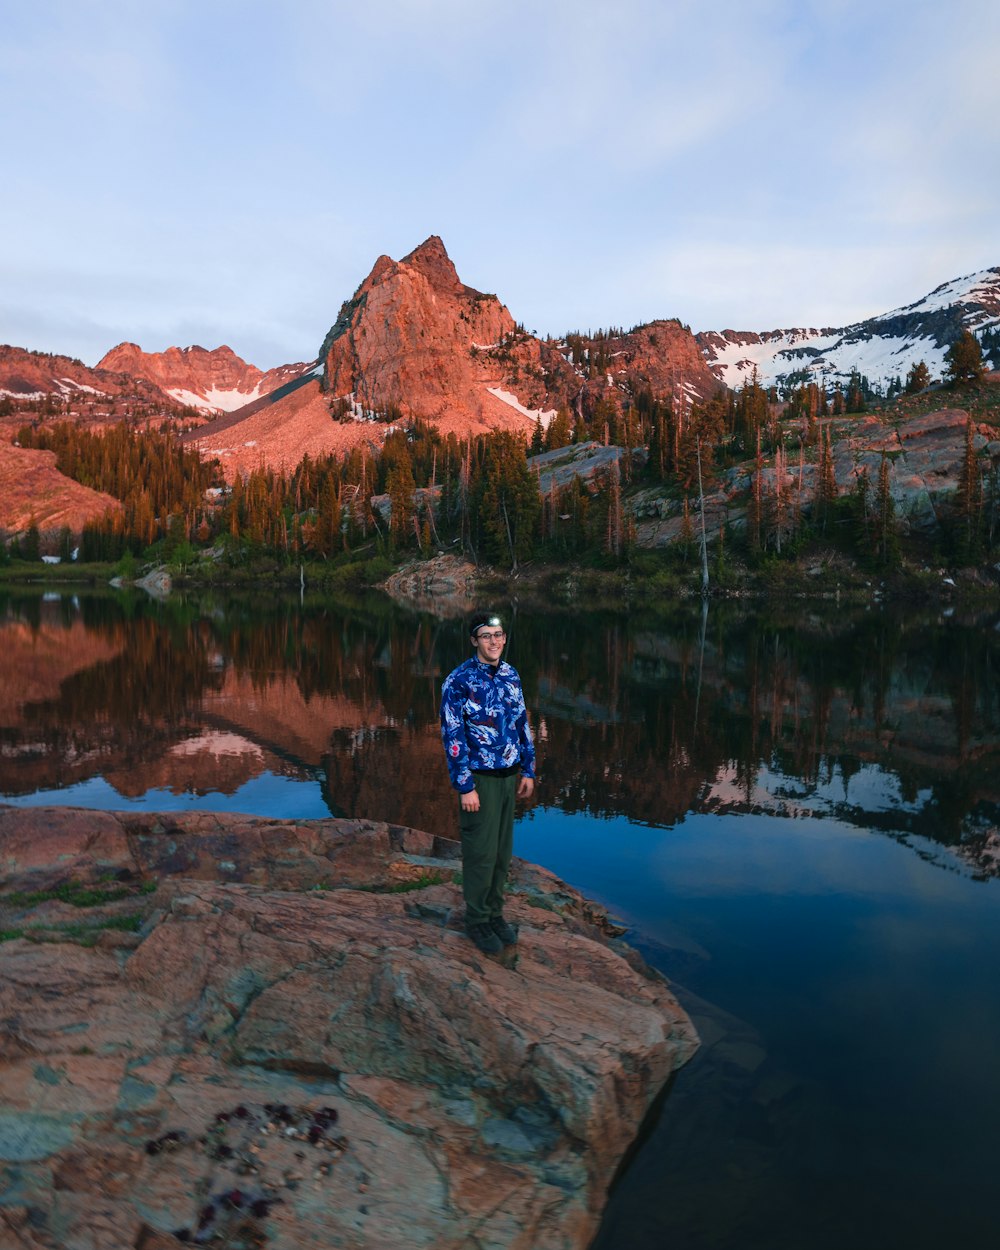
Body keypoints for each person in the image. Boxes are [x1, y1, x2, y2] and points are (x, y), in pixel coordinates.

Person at [440, 612, 535, 954]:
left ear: (504, 638)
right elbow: (453, 736)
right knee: (480, 852)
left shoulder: (511, 675)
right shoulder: (458, 681)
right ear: (474, 641)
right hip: (479, 777)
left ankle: (495, 913)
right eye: (486, 636)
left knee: (500, 853)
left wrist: (529, 769)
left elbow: (522, 721)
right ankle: (477, 920)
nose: (494, 642)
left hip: (510, 774)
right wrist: (464, 786)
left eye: (499, 635)